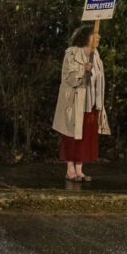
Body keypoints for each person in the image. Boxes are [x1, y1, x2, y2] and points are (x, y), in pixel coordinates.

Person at [52, 25, 111, 181]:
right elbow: (68, 78)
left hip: (91, 103)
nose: (98, 38)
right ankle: (70, 169)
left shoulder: (96, 55)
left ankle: (80, 169)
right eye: (95, 35)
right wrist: (82, 70)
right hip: (75, 103)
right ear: (86, 37)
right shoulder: (71, 54)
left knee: (86, 136)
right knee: (72, 137)